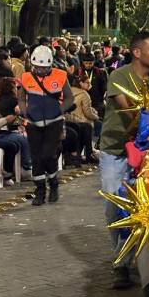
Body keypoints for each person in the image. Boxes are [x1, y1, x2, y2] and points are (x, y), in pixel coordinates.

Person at [98, 31, 149, 289]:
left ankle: (122, 263)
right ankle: (123, 253)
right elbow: (131, 109)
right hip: (115, 149)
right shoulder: (118, 76)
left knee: (142, 207)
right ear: (137, 52)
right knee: (113, 204)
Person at [19, 45, 73, 206]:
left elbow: (69, 98)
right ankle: (40, 191)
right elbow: (21, 98)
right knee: (36, 158)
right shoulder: (26, 77)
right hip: (33, 123)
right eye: (37, 68)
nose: (40, 71)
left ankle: (53, 182)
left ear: (50, 65)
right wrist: (24, 111)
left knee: (48, 155)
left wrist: (59, 110)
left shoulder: (61, 76)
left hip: (54, 122)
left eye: (44, 68)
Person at [65, 74, 99, 164]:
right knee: (98, 124)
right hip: (80, 120)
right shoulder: (85, 94)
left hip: (67, 118)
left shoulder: (68, 91)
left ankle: (88, 152)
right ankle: (90, 151)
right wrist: (96, 116)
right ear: (81, 83)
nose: (89, 85)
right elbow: (87, 113)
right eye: (87, 83)